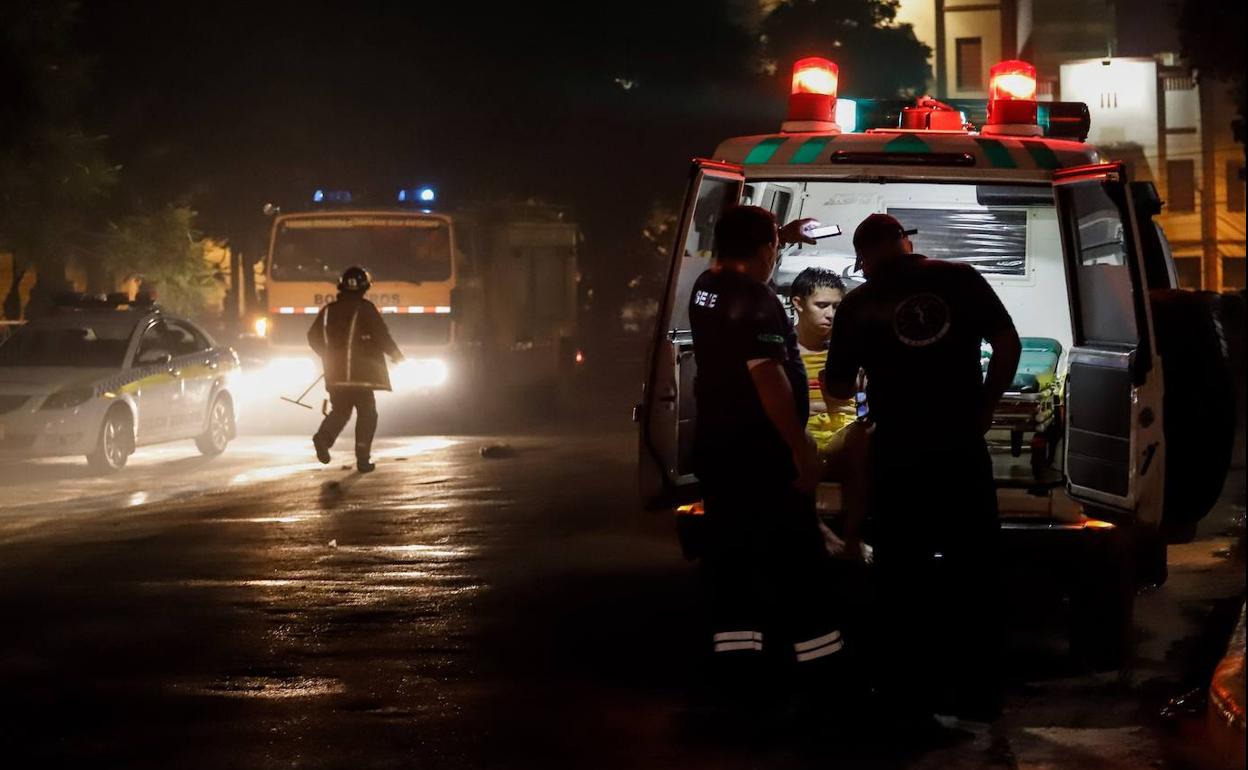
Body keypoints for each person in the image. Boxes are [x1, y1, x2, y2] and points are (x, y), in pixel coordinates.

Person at [823, 213, 1021, 727]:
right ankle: (978, 694)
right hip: (960, 448)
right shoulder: (961, 277)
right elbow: (1008, 344)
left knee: (902, 576)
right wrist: (985, 406)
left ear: (864, 259)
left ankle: (908, 697)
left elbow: (840, 389)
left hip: (898, 455)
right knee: (974, 571)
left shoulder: (858, 304)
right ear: (905, 242)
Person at [687, 205, 843, 707]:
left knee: (732, 564)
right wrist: (801, 450)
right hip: (761, 456)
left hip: (719, 452)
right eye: (774, 245)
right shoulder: (757, 302)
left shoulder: (705, 289)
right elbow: (768, 378)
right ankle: (824, 681)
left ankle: (736, 679)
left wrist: (783, 234)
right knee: (801, 566)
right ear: (764, 250)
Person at [787, 268, 870, 561]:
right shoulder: (784, 348)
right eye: (822, 305)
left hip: (842, 433)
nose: (830, 315)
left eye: (837, 307)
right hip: (800, 436)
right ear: (798, 303)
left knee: (863, 434)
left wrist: (861, 396)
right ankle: (818, 528)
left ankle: (853, 536)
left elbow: (863, 408)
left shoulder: (847, 347)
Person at [308, 266, 405, 472]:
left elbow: (312, 336)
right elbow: (382, 336)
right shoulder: (366, 309)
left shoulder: (328, 311)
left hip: (336, 375)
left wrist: (327, 355)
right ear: (364, 288)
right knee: (368, 413)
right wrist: (397, 355)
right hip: (363, 376)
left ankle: (323, 439)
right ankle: (362, 459)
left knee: (341, 411)